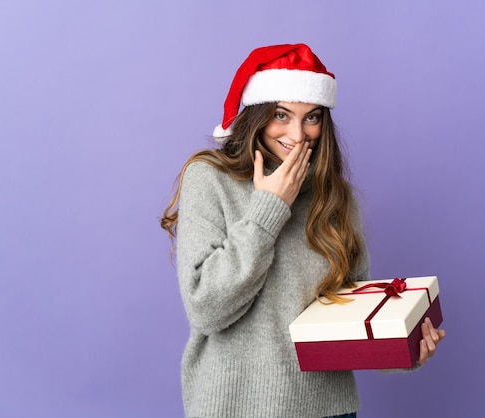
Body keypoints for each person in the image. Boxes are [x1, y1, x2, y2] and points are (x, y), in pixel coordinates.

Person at [161, 43, 445, 418]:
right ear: (256, 116)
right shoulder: (211, 180)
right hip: (235, 409)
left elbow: (349, 322)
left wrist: (405, 349)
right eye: (281, 115)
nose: (298, 134)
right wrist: (270, 208)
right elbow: (206, 309)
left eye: (311, 117)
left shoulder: (336, 198)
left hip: (329, 411)